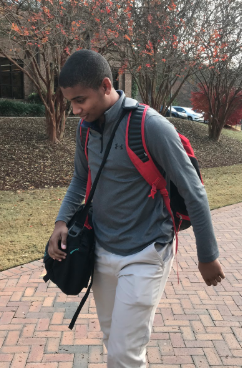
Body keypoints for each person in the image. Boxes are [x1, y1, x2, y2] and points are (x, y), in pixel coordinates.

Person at [47, 49, 225, 368]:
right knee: (112, 339)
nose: (75, 110)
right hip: (102, 251)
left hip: (146, 252)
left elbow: (193, 191)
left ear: (105, 86)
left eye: (80, 100)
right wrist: (61, 221)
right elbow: (79, 179)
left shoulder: (150, 126)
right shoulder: (86, 130)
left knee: (123, 353)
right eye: (70, 102)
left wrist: (207, 255)